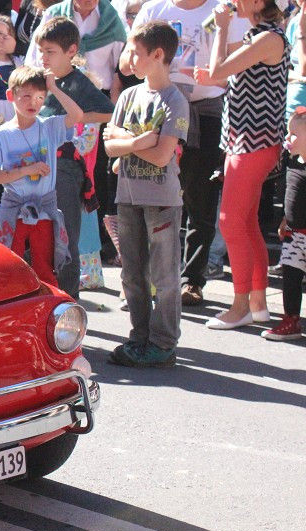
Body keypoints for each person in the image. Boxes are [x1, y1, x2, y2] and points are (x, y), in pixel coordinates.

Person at [125, 0, 250, 307]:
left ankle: (192, 280)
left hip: (207, 111)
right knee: (153, 193)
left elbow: (236, 70)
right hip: (155, 107)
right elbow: (128, 60)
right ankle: (152, 279)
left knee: (200, 197)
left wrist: (212, 75)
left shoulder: (226, 11)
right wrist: (135, 62)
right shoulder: (154, 9)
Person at [196, 0, 289, 329]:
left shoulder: (268, 38)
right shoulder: (259, 36)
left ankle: (240, 307)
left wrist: (220, 28)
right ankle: (257, 303)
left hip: (254, 141)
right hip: (246, 141)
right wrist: (217, 78)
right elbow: (226, 74)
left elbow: (221, 68)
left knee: (230, 222)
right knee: (246, 223)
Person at [103, 21, 188, 367]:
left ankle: (163, 342)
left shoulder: (175, 101)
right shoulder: (128, 95)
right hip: (128, 196)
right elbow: (109, 148)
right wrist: (138, 141)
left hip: (162, 201)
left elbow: (162, 155)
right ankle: (139, 337)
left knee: (165, 277)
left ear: (157, 55)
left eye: (135, 53)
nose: (129, 59)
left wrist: (126, 143)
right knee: (132, 273)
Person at [32, 16, 114, 299]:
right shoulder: (40, 78)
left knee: (65, 237)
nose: (43, 57)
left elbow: (107, 112)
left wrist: (67, 120)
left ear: (71, 51)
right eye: (41, 51)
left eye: (50, 52)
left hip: (66, 168)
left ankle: (69, 301)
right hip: (37, 165)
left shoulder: (77, 81)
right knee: (39, 233)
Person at [0, 65, 82, 283]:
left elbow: (77, 114)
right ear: (11, 96)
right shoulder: (2, 134)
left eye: (40, 97)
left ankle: (48, 311)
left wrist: (54, 87)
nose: (33, 102)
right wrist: (27, 170)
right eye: (26, 96)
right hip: (13, 209)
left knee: (45, 268)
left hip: (44, 210)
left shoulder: (49, 127)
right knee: (10, 266)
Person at [264, 107, 306, 339]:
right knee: (290, 276)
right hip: (293, 233)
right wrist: (284, 220)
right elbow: (291, 196)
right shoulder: (293, 162)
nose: (288, 139)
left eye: (294, 135)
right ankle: (291, 319)